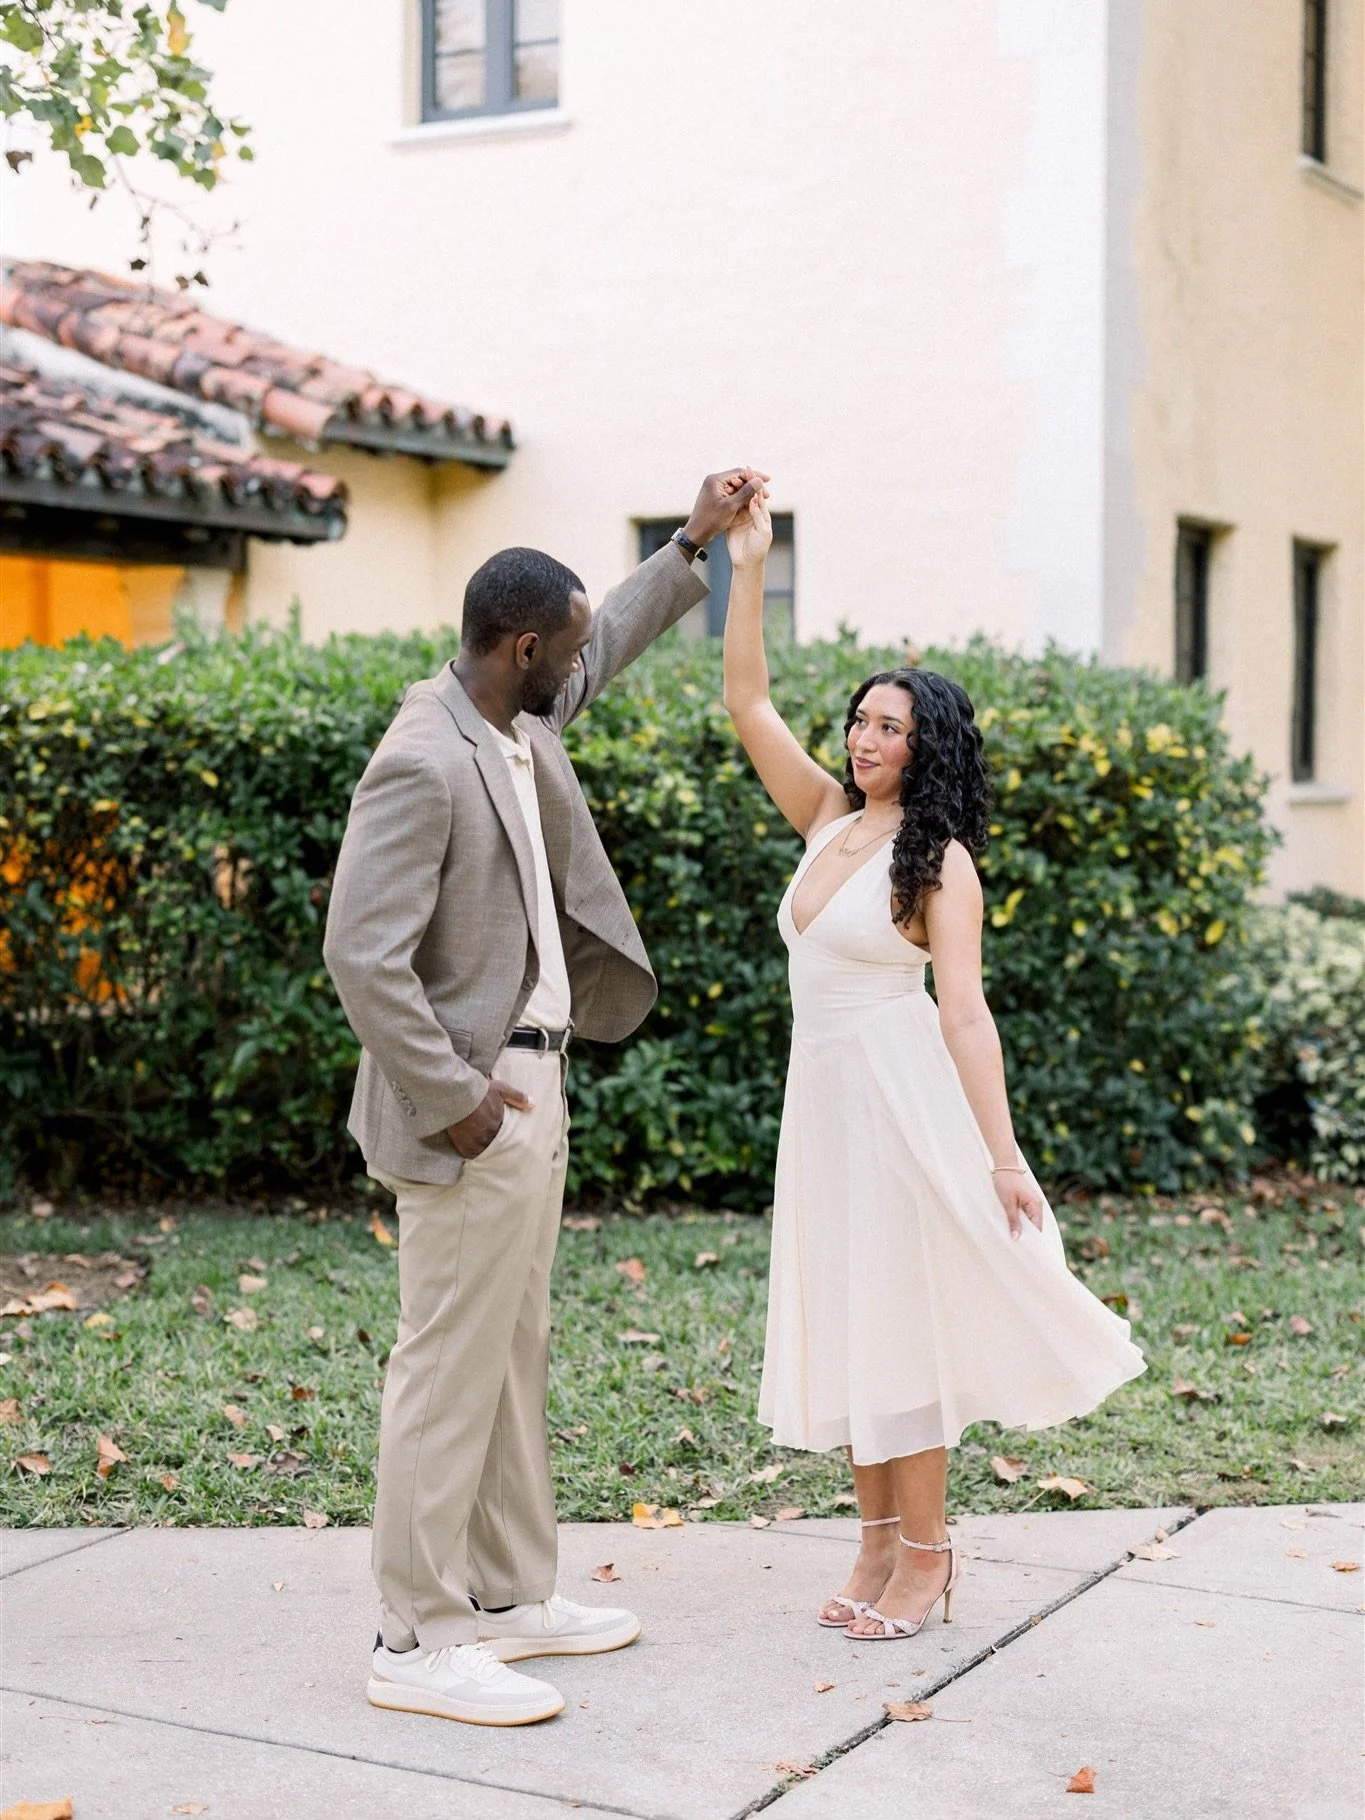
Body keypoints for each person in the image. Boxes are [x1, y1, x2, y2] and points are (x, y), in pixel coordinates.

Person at [324, 468, 761, 1725]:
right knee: (446, 1367)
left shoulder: (517, 715)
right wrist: (458, 1098)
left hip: (537, 1079)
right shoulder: (423, 756)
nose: (576, 667)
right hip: (472, 1104)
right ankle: (414, 1633)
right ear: (518, 647)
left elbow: (607, 636)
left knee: (511, 1355)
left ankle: (512, 1597)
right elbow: (363, 951)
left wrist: (691, 542)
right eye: (557, 650)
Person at [721, 486, 1145, 1643]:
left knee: (901, 1325)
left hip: (902, 1105)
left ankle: (927, 1555)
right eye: (859, 719)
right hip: (826, 1107)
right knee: (857, 1317)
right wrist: (749, 565)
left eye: (889, 727)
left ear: (929, 745)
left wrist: (1002, 1157)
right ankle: (869, 1542)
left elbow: (965, 1012)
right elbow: (748, 699)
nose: (864, 739)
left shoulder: (936, 859)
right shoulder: (823, 817)